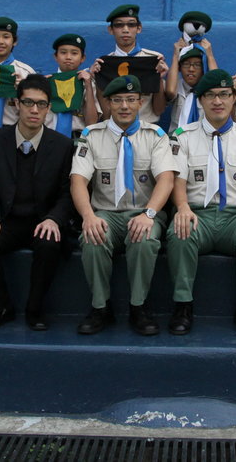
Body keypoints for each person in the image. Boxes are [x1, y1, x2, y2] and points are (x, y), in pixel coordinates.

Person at [165, 69, 236, 336]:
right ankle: (182, 305)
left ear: (235, 97)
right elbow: (178, 182)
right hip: (197, 214)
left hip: (234, 216)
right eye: (210, 95)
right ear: (201, 100)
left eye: (224, 94)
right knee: (179, 231)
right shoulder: (183, 136)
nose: (217, 101)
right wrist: (182, 208)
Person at [71, 75, 177, 335]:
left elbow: (166, 179)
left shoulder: (155, 136)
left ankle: (138, 307)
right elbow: (78, 181)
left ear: (141, 102)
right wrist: (88, 216)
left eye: (131, 99)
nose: (124, 106)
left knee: (144, 239)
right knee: (92, 237)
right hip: (105, 213)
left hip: (144, 212)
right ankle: (100, 307)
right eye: (117, 100)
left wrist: (149, 214)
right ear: (107, 103)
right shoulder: (91, 136)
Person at [0, 74, 76, 331]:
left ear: (49, 108)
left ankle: (34, 309)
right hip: (5, 220)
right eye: (28, 102)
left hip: (42, 219)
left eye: (41, 104)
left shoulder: (63, 145)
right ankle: (1, 307)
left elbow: (66, 193)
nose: (34, 110)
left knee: (50, 243)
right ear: (17, 104)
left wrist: (54, 219)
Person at [90, 4, 168, 123]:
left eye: (131, 25)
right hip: (115, 129)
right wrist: (97, 78)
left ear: (139, 28)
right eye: (119, 25)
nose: (125, 30)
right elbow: (106, 114)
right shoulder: (104, 64)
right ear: (110, 30)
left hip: (146, 127)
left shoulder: (153, 60)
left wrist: (159, 79)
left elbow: (159, 110)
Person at [166, 11, 217, 133]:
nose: (191, 69)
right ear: (179, 67)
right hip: (176, 140)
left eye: (197, 65)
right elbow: (170, 91)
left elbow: (217, 85)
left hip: (203, 140)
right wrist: (175, 56)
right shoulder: (177, 86)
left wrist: (209, 55)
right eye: (186, 64)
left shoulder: (207, 90)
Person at [45, 33, 99, 137]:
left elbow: (92, 123)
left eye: (74, 53)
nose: (68, 57)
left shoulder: (87, 83)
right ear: (55, 56)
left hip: (78, 138)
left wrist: (88, 86)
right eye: (63, 52)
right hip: (50, 137)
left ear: (82, 58)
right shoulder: (47, 82)